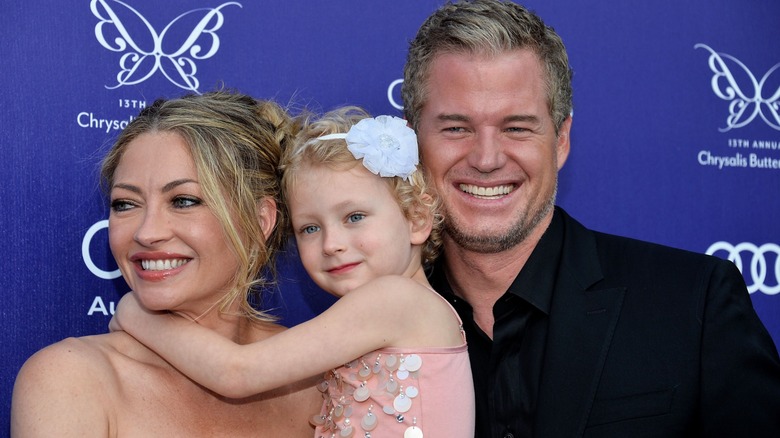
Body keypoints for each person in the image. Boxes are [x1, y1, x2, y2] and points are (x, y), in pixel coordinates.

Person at [401, 1, 780, 437]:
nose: (486, 159)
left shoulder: (695, 303)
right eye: (456, 128)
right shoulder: (367, 321)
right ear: (411, 139)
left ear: (561, 140)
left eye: (517, 127)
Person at [109, 107, 475, 437]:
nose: (331, 243)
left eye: (355, 217)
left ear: (416, 219)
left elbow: (237, 373)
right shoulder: (393, 309)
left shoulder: (395, 300)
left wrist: (137, 316)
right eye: (310, 229)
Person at [10, 91, 323, 437]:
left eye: (184, 201)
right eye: (126, 204)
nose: (147, 232)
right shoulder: (72, 380)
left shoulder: (322, 382)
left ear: (260, 220)